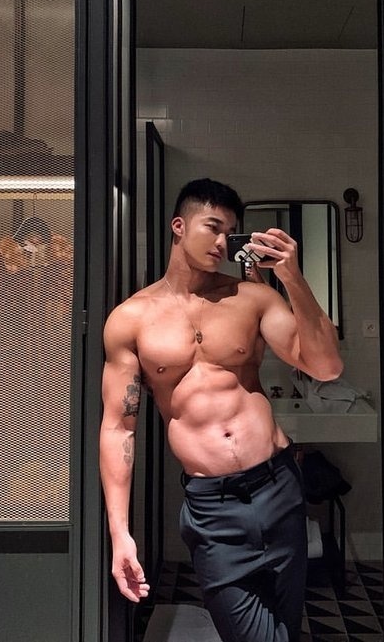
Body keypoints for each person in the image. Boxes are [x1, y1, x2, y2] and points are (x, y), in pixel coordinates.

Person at [99, 178, 343, 642]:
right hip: (214, 507)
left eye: (230, 232)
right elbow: (118, 429)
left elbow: (327, 367)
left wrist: (292, 278)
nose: (221, 242)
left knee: (285, 628)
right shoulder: (131, 319)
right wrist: (120, 534)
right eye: (212, 227)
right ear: (179, 226)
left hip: (278, 486)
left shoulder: (252, 298)